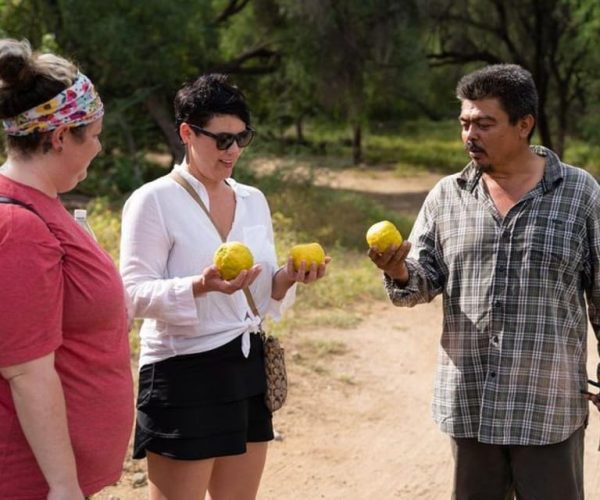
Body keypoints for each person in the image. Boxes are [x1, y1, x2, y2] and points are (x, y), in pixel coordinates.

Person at [368, 63, 600, 500]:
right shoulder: (447, 195)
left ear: (523, 125)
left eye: (484, 123)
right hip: (472, 404)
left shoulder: (579, 194)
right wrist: (398, 270)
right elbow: (422, 280)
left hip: (547, 409)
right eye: (464, 123)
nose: (470, 135)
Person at [120, 73, 330, 500]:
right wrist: (198, 286)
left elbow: (260, 293)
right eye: (221, 139)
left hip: (246, 367)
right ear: (186, 133)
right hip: (183, 373)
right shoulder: (153, 200)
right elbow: (132, 295)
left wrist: (287, 278)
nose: (233, 150)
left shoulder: (253, 199)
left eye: (241, 138)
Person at [0, 39, 134, 499]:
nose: (98, 148)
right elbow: (26, 370)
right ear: (59, 137)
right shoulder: (17, 225)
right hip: (31, 482)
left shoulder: (43, 205)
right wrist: (62, 485)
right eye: (93, 135)